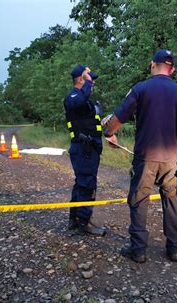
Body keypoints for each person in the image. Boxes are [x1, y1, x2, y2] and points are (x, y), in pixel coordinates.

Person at [102, 49, 177, 263]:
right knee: (172, 202)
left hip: (146, 157)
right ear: (172, 69)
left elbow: (117, 119)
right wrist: (170, 126)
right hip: (171, 159)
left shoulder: (140, 89)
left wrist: (109, 133)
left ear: (153, 64)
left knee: (139, 200)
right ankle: (174, 249)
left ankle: (138, 250)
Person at [64, 64, 106, 236]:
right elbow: (78, 101)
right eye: (89, 79)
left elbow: (89, 121)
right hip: (84, 149)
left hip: (89, 149)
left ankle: (74, 219)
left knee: (82, 183)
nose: (92, 82)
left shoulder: (84, 100)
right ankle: (84, 222)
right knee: (87, 184)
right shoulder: (73, 97)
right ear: (80, 79)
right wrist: (87, 85)